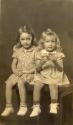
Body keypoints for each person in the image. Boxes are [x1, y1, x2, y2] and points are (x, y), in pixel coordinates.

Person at [30, 28, 70, 117]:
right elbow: (37, 69)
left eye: (53, 41)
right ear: (43, 43)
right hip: (43, 74)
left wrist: (55, 61)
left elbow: (60, 69)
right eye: (47, 41)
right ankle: (36, 106)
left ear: (56, 43)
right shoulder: (40, 53)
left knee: (53, 84)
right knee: (37, 85)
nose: (50, 44)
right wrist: (42, 62)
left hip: (54, 74)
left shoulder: (58, 54)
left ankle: (54, 104)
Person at [1, 25, 37, 116]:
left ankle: (23, 106)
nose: (25, 42)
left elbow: (38, 65)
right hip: (18, 72)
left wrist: (29, 71)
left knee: (21, 83)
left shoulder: (35, 50)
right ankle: (9, 107)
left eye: (28, 39)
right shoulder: (17, 50)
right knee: (8, 83)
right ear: (19, 40)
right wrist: (14, 71)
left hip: (28, 73)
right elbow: (14, 63)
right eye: (23, 39)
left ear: (32, 38)